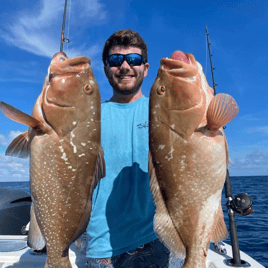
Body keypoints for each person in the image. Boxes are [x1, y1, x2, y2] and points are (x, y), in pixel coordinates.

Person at [86, 29, 184, 268]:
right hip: (103, 247)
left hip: (160, 239)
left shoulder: (166, 112)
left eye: (134, 60)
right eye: (116, 60)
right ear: (106, 67)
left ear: (146, 68)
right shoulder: (89, 117)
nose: (125, 66)